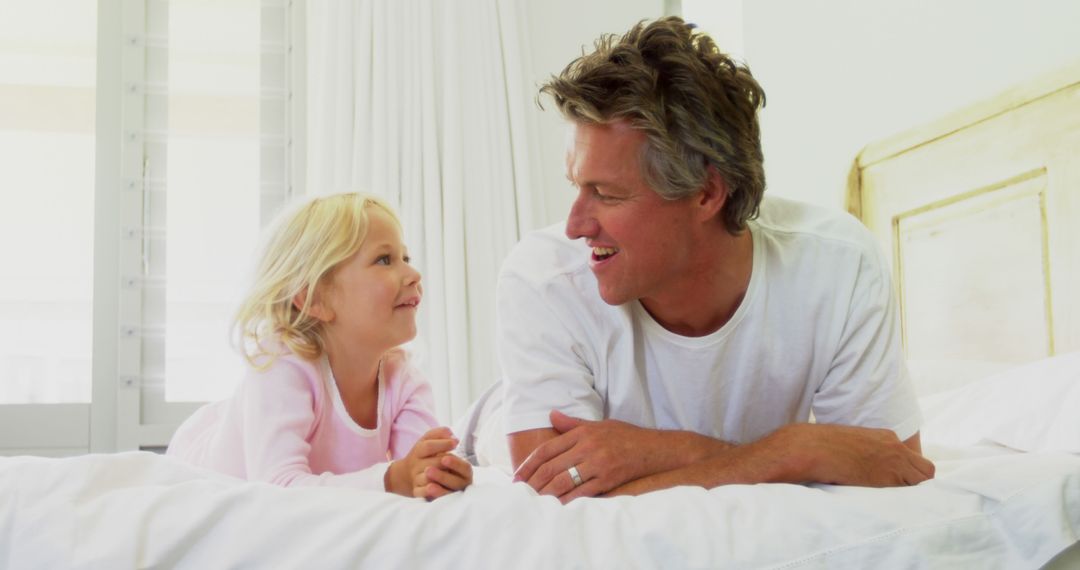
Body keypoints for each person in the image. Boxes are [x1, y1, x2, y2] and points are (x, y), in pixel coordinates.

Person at [497, 16, 935, 503]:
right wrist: (793, 452)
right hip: (490, 433)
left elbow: (892, 472)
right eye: (577, 186)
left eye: (605, 194)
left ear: (706, 194)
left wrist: (659, 452)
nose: (576, 224)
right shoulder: (543, 277)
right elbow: (555, 503)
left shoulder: (839, 266)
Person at [167, 192, 472, 500]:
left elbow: (418, 475)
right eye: (384, 259)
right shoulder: (283, 367)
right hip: (199, 466)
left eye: (406, 258)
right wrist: (391, 479)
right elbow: (277, 488)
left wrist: (439, 474)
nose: (414, 274)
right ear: (315, 299)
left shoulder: (405, 381)